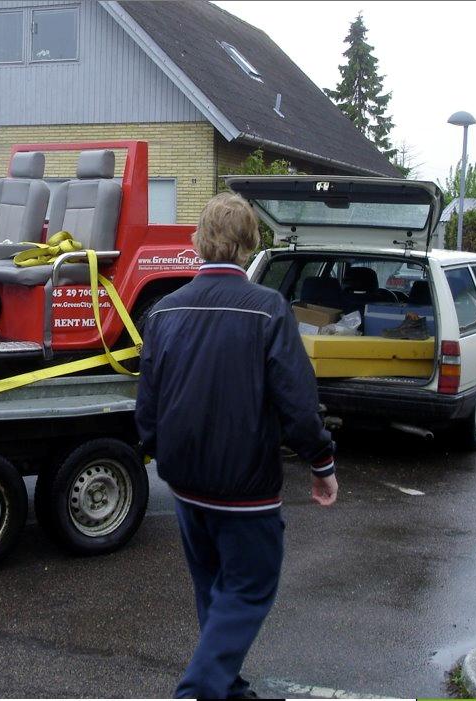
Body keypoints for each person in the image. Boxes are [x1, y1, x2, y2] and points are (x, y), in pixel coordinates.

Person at [134, 192, 338, 700]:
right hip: (245, 489)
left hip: (185, 484)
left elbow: (147, 402)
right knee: (247, 589)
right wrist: (322, 462)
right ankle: (200, 690)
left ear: (197, 242)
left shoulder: (163, 311)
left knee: (214, 592)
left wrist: (162, 454)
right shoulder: (269, 310)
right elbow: (297, 400)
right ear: (249, 246)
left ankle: (227, 686)